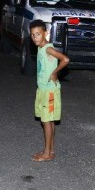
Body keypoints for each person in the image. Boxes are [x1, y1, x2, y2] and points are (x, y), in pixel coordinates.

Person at [28, 19, 69, 162]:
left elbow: (65, 59)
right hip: (43, 89)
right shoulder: (40, 48)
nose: (35, 38)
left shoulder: (48, 49)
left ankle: (47, 153)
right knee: (49, 120)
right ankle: (50, 150)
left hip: (49, 92)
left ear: (46, 33)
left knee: (46, 121)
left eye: (38, 34)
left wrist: (54, 72)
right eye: (32, 35)